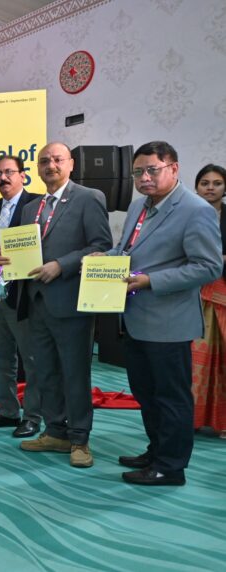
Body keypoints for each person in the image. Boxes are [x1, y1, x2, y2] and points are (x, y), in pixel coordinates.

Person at [104, 144, 222, 485]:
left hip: (169, 322)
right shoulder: (138, 206)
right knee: (146, 393)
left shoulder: (195, 210)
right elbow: (127, 250)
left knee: (171, 398)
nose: (144, 177)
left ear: (173, 168)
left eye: (152, 170)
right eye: (138, 172)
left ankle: (170, 467)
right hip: (135, 318)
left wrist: (151, 281)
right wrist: (105, 258)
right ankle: (156, 450)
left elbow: (208, 267)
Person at [5, 142, 111, 468]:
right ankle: (55, 431)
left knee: (74, 373)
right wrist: (7, 259)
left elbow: (101, 245)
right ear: (37, 168)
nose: (50, 165)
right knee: (44, 372)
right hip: (36, 302)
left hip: (71, 302)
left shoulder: (89, 198)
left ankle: (79, 439)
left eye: (57, 159)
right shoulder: (30, 208)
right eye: (44, 161)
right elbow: (25, 252)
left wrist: (61, 265)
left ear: (71, 164)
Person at [0, 155, 42, 437]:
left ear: (23, 175)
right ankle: (7, 411)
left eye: (9, 172)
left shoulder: (36, 204)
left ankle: (33, 416)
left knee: (31, 358)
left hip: (24, 294)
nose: (2, 178)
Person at [191, 164, 226, 438]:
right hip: (192, 294)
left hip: (223, 294)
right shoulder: (186, 214)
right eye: (205, 183)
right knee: (194, 360)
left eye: (217, 183)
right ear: (196, 187)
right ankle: (191, 419)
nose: (210, 188)